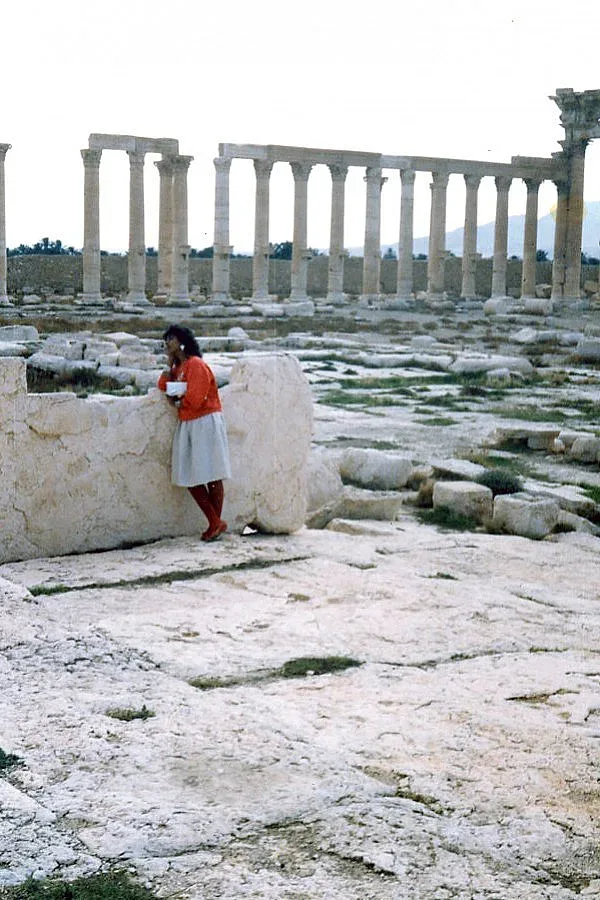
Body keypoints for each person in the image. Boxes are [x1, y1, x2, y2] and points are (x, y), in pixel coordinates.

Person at [157, 324, 231, 542]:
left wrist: (177, 404)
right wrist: (169, 366)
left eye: (170, 339)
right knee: (189, 474)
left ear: (181, 341)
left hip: (204, 421)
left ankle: (215, 523)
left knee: (212, 473)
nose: (166, 344)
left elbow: (196, 399)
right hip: (190, 423)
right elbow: (163, 385)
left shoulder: (196, 365)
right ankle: (216, 522)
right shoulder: (178, 368)